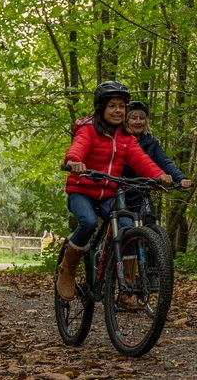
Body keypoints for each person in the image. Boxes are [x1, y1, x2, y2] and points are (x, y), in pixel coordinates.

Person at [59, 80, 172, 300]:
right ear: (101, 108)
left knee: (127, 226)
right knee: (89, 222)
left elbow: (141, 159)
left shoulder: (126, 137)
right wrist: (74, 161)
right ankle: (68, 268)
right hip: (81, 189)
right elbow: (77, 147)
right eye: (112, 106)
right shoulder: (88, 129)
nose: (118, 110)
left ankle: (126, 288)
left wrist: (158, 175)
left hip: (108, 193)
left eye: (122, 106)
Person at [121, 100, 193, 225]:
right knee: (124, 224)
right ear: (126, 120)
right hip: (120, 189)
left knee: (150, 220)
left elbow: (165, 162)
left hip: (141, 190)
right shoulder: (119, 138)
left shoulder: (151, 142)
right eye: (134, 118)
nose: (138, 122)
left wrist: (180, 178)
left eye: (142, 118)